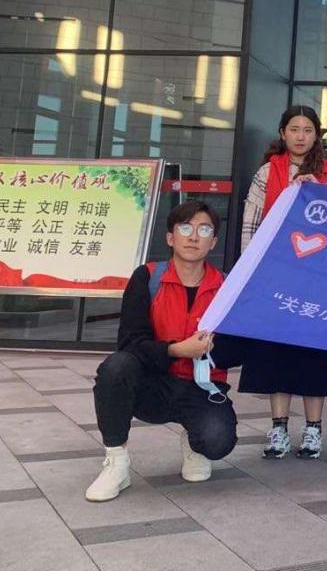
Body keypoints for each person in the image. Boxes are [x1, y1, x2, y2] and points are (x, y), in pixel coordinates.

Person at [87, 200, 245, 502]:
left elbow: (239, 350)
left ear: (213, 242)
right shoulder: (147, 278)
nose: (194, 236)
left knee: (217, 441)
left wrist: (213, 348)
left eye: (204, 230)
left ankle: (196, 443)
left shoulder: (226, 287)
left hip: (201, 388)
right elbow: (130, 342)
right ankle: (116, 463)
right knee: (115, 368)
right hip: (152, 385)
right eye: (185, 228)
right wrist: (177, 350)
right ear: (170, 237)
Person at [239, 105, 327, 460]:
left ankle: (313, 429)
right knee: (276, 353)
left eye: (308, 130)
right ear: (283, 133)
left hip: (318, 282)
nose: (301, 136)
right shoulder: (267, 172)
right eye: (294, 129)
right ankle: (279, 428)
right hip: (276, 278)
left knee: (313, 354)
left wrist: (321, 193)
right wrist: (249, 272)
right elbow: (251, 225)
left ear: (317, 135)